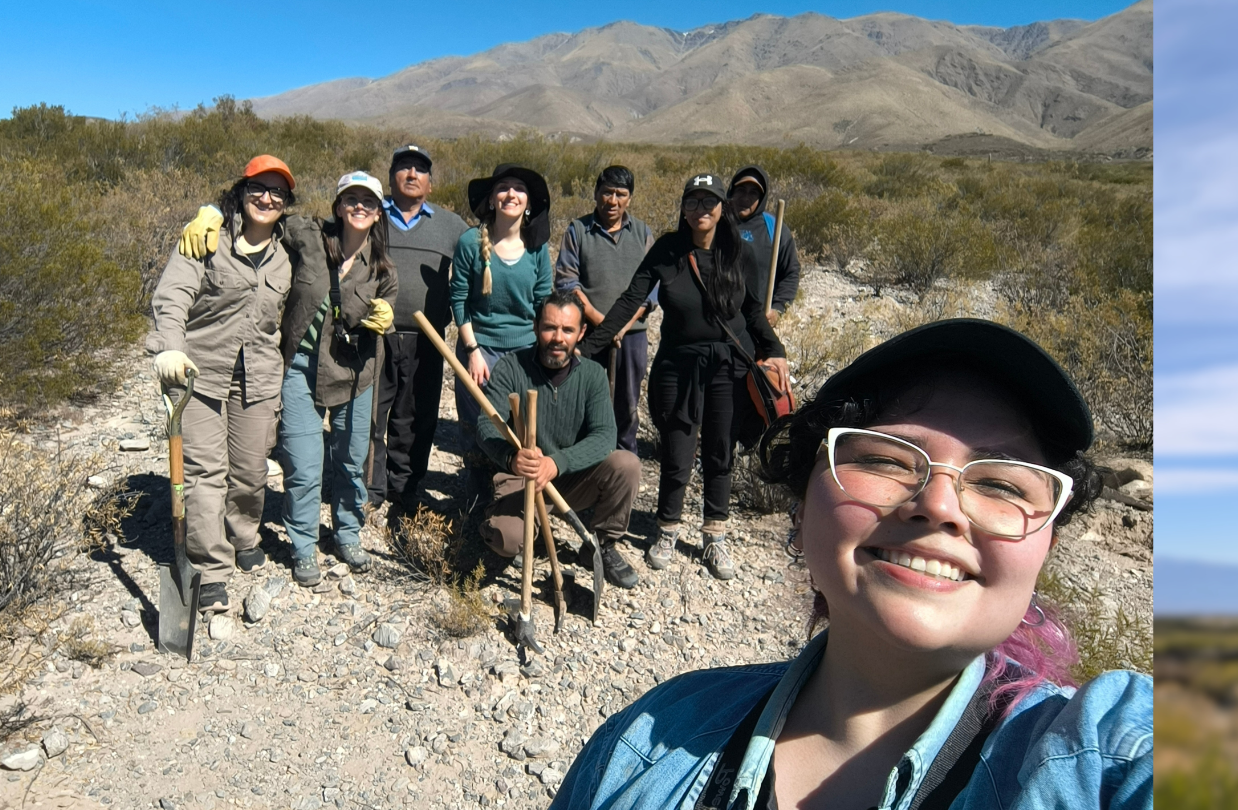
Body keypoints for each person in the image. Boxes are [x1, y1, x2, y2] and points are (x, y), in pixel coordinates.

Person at [550, 319, 1151, 810]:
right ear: (800, 507)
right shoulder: (646, 742)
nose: (939, 506)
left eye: (1001, 485)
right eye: (887, 460)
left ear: (1045, 545)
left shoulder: (1106, 757)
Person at [583, 174, 788, 581]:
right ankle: (667, 529)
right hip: (678, 365)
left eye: (709, 202)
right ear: (683, 208)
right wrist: (589, 348)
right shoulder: (668, 250)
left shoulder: (739, 253)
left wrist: (775, 349)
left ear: (722, 208)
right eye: (692, 201)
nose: (700, 210)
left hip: (728, 365)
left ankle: (715, 533)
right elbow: (631, 299)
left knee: (720, 449)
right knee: (677, 447)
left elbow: (751, 312)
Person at [147, 155, 297, 615]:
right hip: (200, 371)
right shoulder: (206, 239)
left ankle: (243, 534)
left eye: (277, 192)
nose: (266, 198)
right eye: (257, 188)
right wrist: (170, 348)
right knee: (204, 473)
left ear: (287, 202)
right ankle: (210, 567)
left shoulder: (287, 253)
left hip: (259, 376)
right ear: (241, 191)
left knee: (251, 470)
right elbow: (173, 295)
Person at [275, 172, 397, 584]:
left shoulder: (381, 267)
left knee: (350, 459)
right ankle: (303, 546)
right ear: (339, 206)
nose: (359, 206)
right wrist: (213, 215)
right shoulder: (310, 237)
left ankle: (347, 533)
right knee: (303, 464)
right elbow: (267, 218)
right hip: (301, 368)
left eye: (368, 201)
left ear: (378, 212)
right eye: (351, 198)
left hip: (355, 373)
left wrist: (385, 315)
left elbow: (389, 304)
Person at [476, 290, 642, 589]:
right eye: (550, 328)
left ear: (581, 332)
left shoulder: (592, 374)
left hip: (569, 477)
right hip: (523, 477)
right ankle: (523, 527)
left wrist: (556, 462)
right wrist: (512, 458)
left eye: (567, 330)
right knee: (505, 540)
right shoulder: (511, 368)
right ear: (535, 326)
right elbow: (486, 426)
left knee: (626, 465)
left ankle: (601, 544)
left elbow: (605, 435)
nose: (558, 338)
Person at [366, 145, 470, 511]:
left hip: (427, 339)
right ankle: (371, 488)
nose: (412, 174)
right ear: (390, 176)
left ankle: (406, 487)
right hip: (375, 336)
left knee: (416, 416)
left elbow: (480, 257)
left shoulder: (450, 225)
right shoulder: (371, 216)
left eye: (420, 170)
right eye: (404, 167)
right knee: (371, 413)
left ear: (430, 182)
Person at [448, 164, 553, 489]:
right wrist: (473, 351)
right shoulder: (470, 242)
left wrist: (543, 355)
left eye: (519, 189)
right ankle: (477, 497)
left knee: (523, 429)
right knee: (480, 426)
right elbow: (459, 300)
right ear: (492, 199)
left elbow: (543, 302)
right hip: (480, 349)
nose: (511, 194)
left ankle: (514, 496)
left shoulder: (537, 247)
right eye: (503, 188)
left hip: (525, 351)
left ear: (529, 202)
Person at [554, 165, 656, 455]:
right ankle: (586, 463)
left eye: (620, 194)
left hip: (631, 336)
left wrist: (623, 325)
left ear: (629, 198)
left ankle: (624, 462)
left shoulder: (642, 233)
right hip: (588, 333)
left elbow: (653, 288)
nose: (613, 200)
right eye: (607, 192)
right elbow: (567, 282)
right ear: (596, 193)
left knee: (627, 404)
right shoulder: (578, 230)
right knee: (586, 400)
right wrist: (603, 323)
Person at [730, 166, 802, 326]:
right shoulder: (716, 222)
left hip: (756, 323)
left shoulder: (774, 228)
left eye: (753, 193)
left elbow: (790, 272)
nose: (746, 198)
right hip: (717, 322)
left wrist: (777, 308)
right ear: (731, 191)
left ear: (761, 198)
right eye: (741, 190)